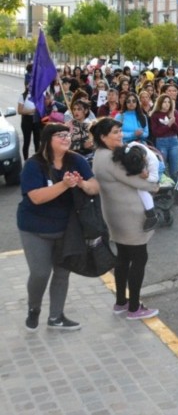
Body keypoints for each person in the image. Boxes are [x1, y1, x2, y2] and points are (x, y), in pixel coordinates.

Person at [19, 124, 100, 331]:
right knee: (40, 273)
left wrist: (81, 184)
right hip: (35, 228)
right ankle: (33, 308)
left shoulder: (77, 160)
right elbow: (36, 197)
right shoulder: (33, 164)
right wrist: (64, 185)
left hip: (67, 227)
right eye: (60, 135)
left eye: (68, 135)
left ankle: (56, 317)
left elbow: (95, 187)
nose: (66, 138)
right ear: (48, 139)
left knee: (63, 273)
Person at [91, 118, 161, 320]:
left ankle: (121, 302)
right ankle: (134, 308)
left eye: (120, 131)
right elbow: (137, 181)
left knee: (123, 258)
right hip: (130, 217)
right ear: (103, 137)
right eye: (115, 132)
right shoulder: (111, 158)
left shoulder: (99, 155)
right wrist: (155, 186)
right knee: (139, 258)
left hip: (115, 215)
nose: (120, 135)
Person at [112, 141, 161, 231]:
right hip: (137, 168)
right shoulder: (131, 148)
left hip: (153, 173)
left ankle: (151, 215)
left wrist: (145, 177)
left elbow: (154, 178)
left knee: (140, 188)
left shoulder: (153, 161)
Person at [149, 94, 178, 180]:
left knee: (174, 169)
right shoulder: (155, 115)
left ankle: (175, 189)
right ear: (160, 103)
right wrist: (168, 125)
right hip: (161, 142)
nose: (167, 104)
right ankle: (164, 188)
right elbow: (156, 132)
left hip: (174, 142)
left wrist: (173, 121)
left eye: (169, 102)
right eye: (164, 102)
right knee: (162, 167)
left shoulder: (175, 113)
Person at [17, 84, 40, 160]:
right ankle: (26, 159)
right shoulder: (23, 96)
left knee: (37, 141)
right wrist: (31, 111)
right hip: (27, 120)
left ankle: (38, 160)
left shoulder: (38, 95)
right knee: (27, 141)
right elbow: (20, 111)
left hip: (36, 120)